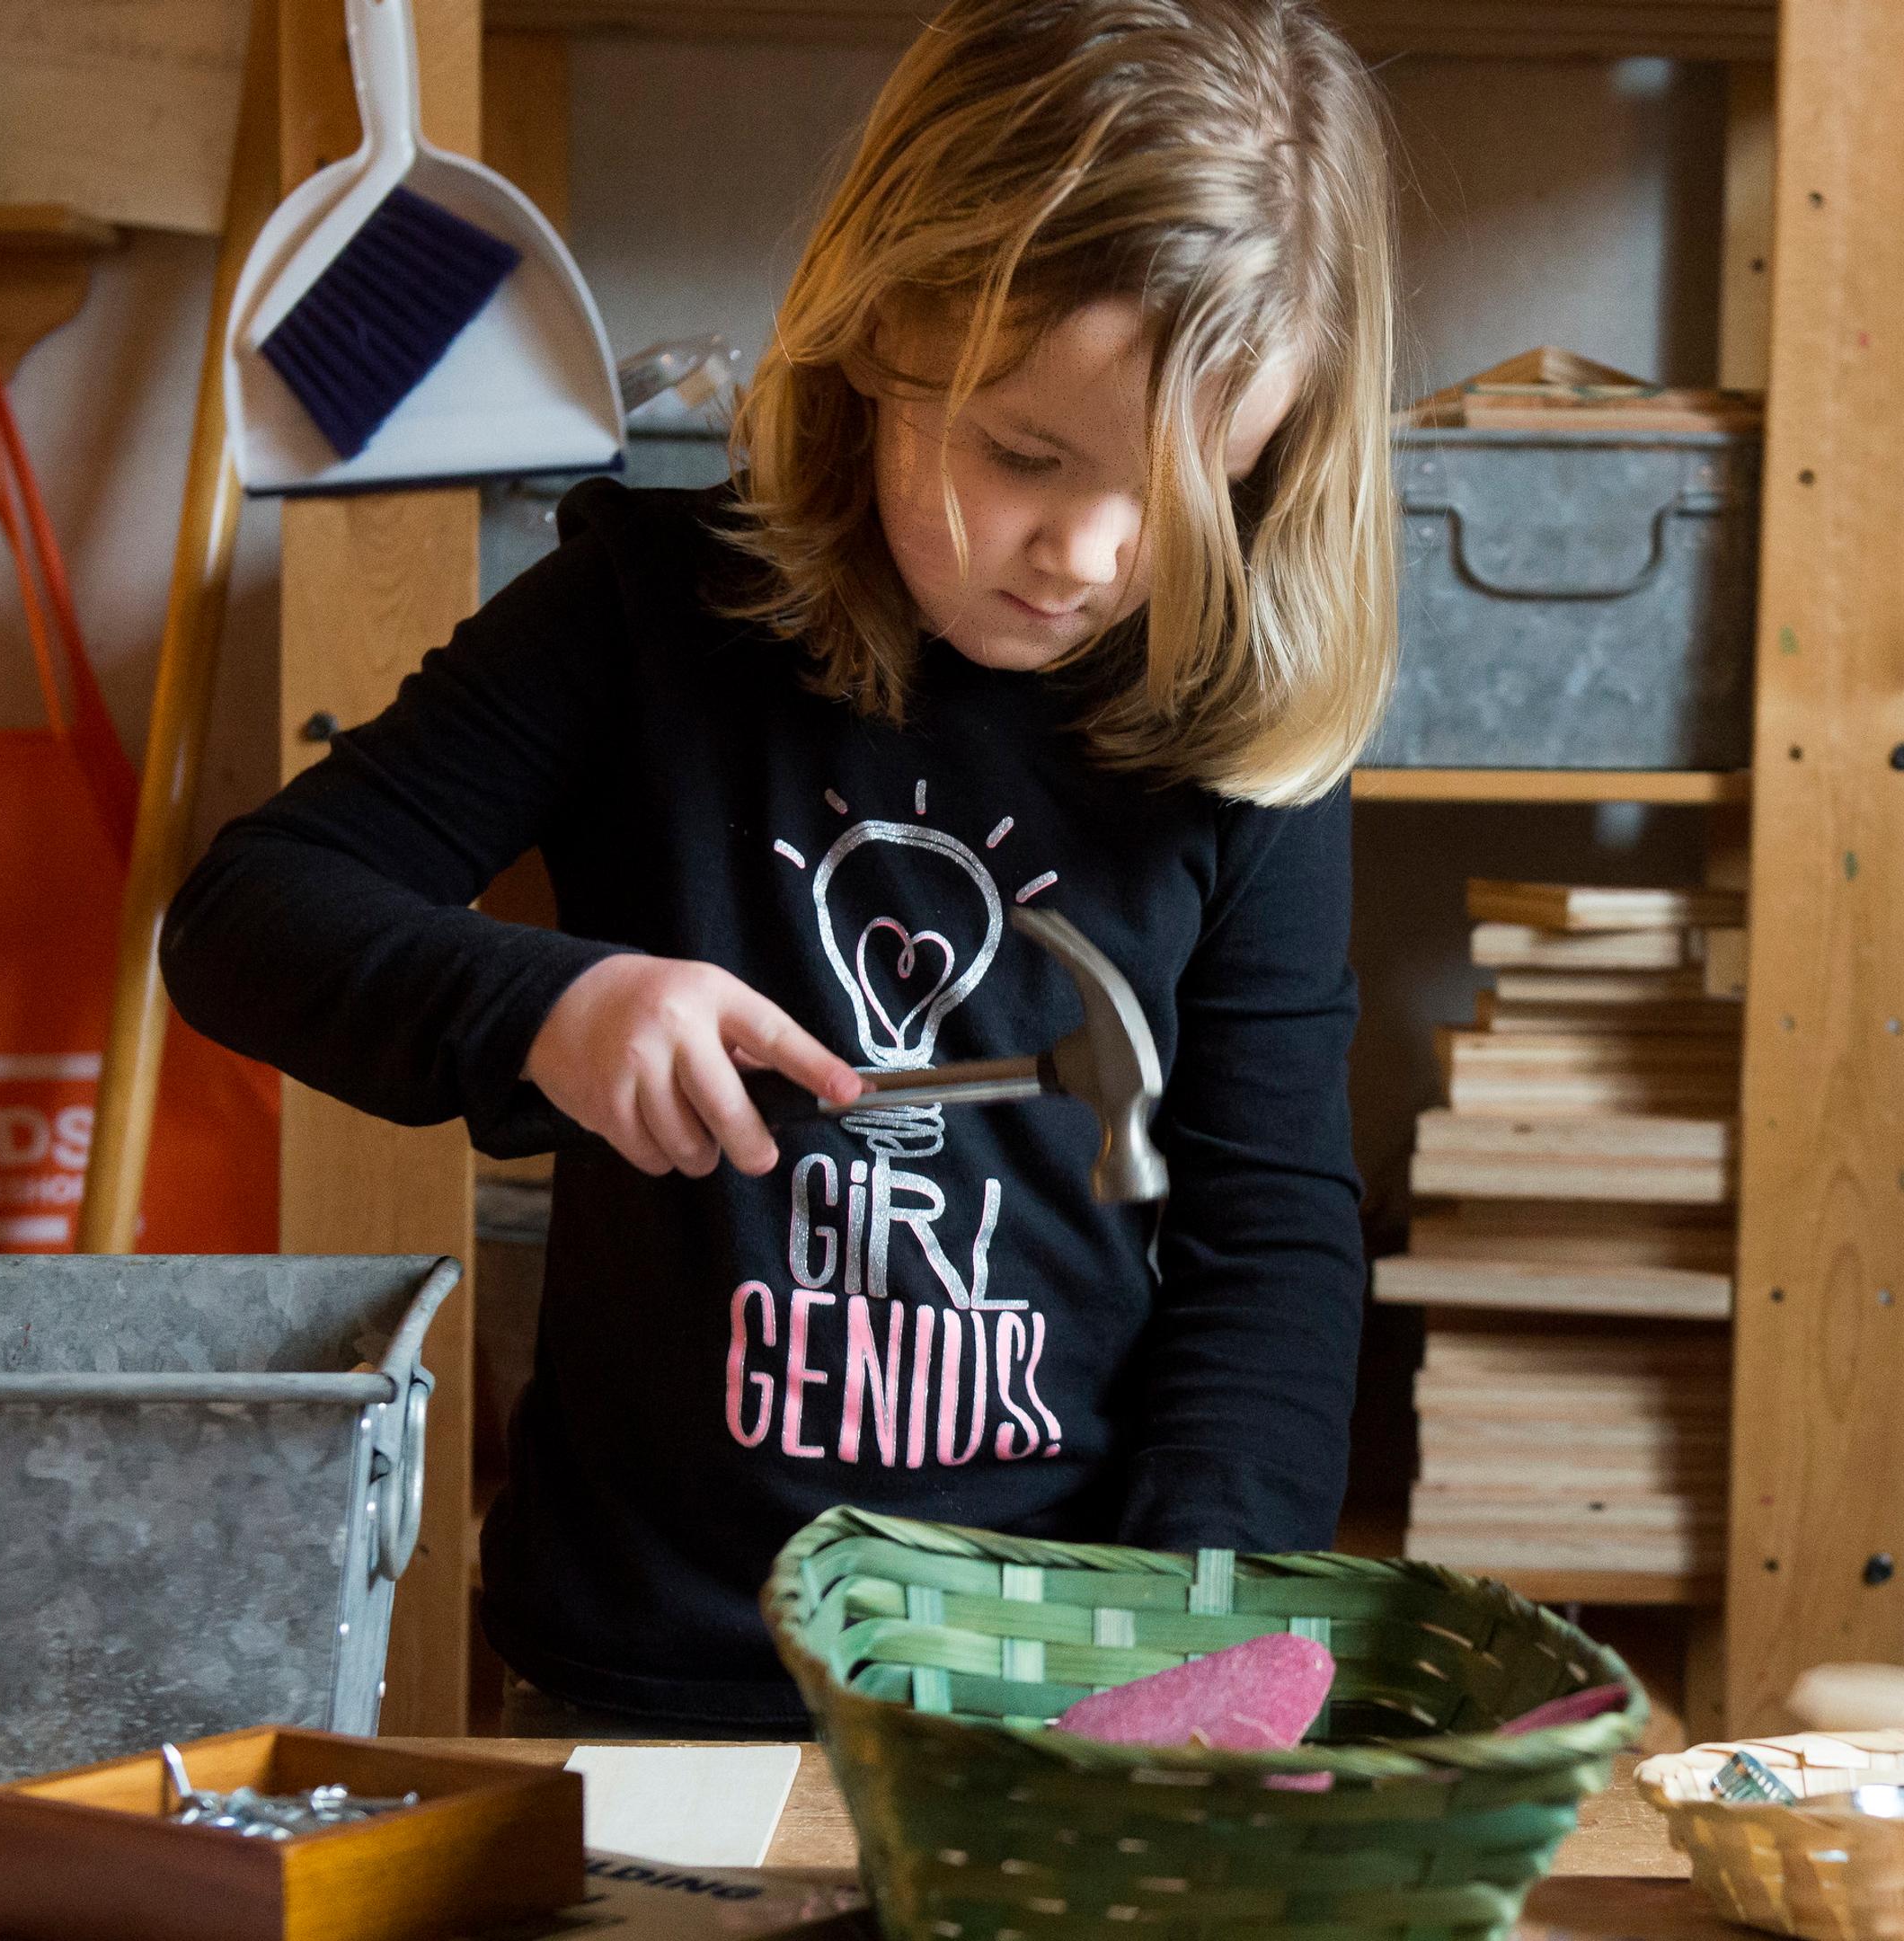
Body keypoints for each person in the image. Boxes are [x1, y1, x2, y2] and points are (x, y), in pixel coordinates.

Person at [164, 0, 1397, 1732]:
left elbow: (1270, 1239)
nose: (1093, 553)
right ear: (876, 336)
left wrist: (1200, 1636)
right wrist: (554, 1006)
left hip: (1049, 1686)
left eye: (1192, 487)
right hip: (647, 1674)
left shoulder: (1238, 735)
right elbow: (242, 922)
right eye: (1022, 456)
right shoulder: (642, 613)